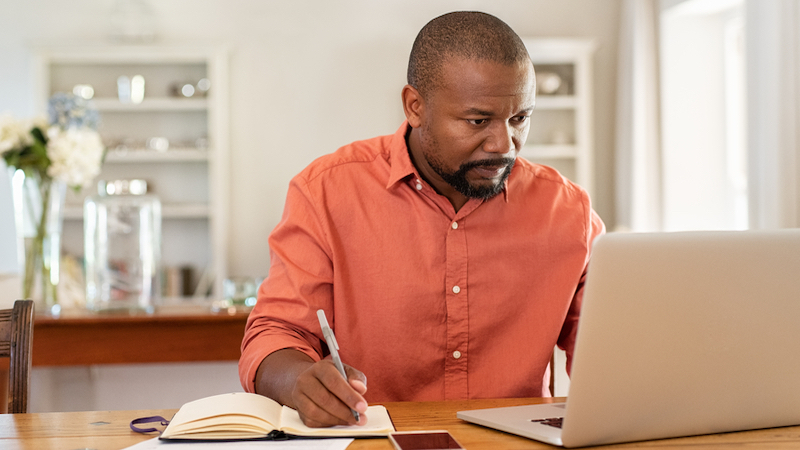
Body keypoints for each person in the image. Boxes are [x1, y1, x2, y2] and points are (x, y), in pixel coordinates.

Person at [239, 11, 605, 428]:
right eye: (478, 120)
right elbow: (275, 333)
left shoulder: (568, 212)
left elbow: (610, 357)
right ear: (415, 106)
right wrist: (299, 380)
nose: (504, 144)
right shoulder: (327, 192)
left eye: (519, 119)